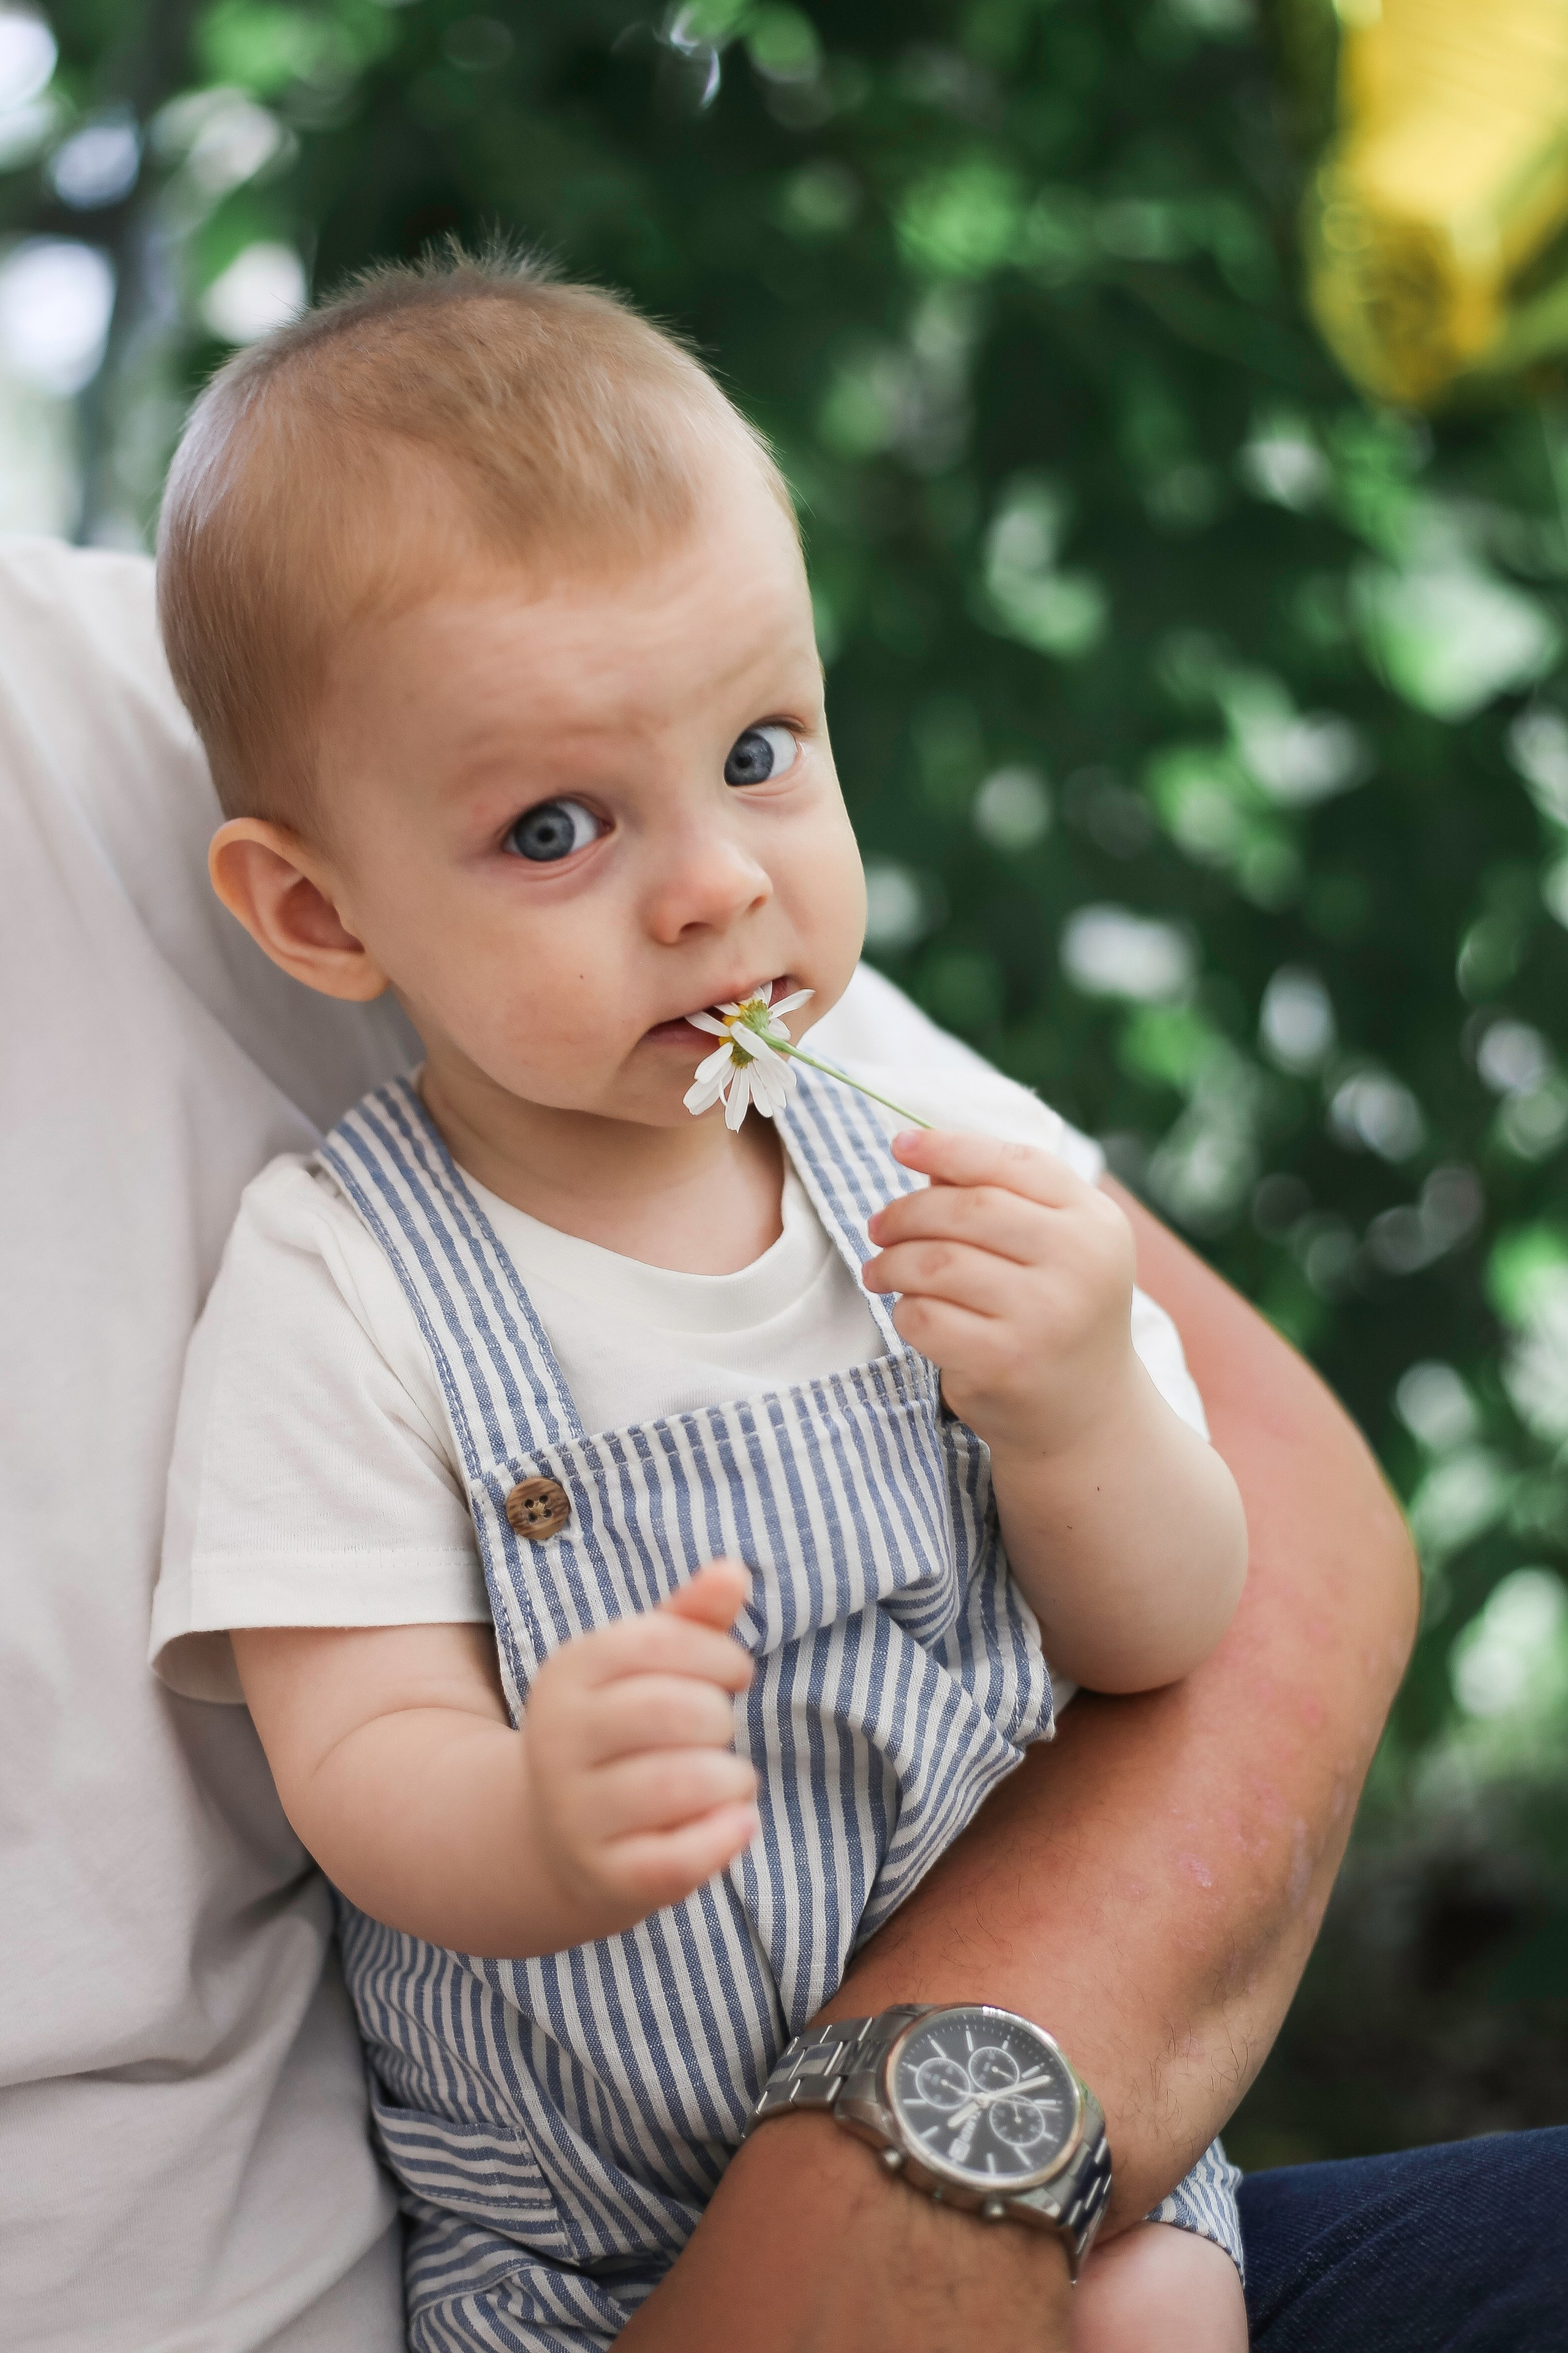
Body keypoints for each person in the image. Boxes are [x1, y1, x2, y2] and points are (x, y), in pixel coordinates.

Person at [7, 317, 1494, 2353]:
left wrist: (1076, 1414)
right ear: (321, 919)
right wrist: (531, 1822)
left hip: (1039, 2164)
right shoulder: (347, 1275)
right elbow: (361, 1749)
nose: (715, 888)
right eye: (557, 829)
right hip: (577, 2259)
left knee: (1163, 2310)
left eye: (759, 754)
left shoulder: (927, 1167)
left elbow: (1170, 1631)